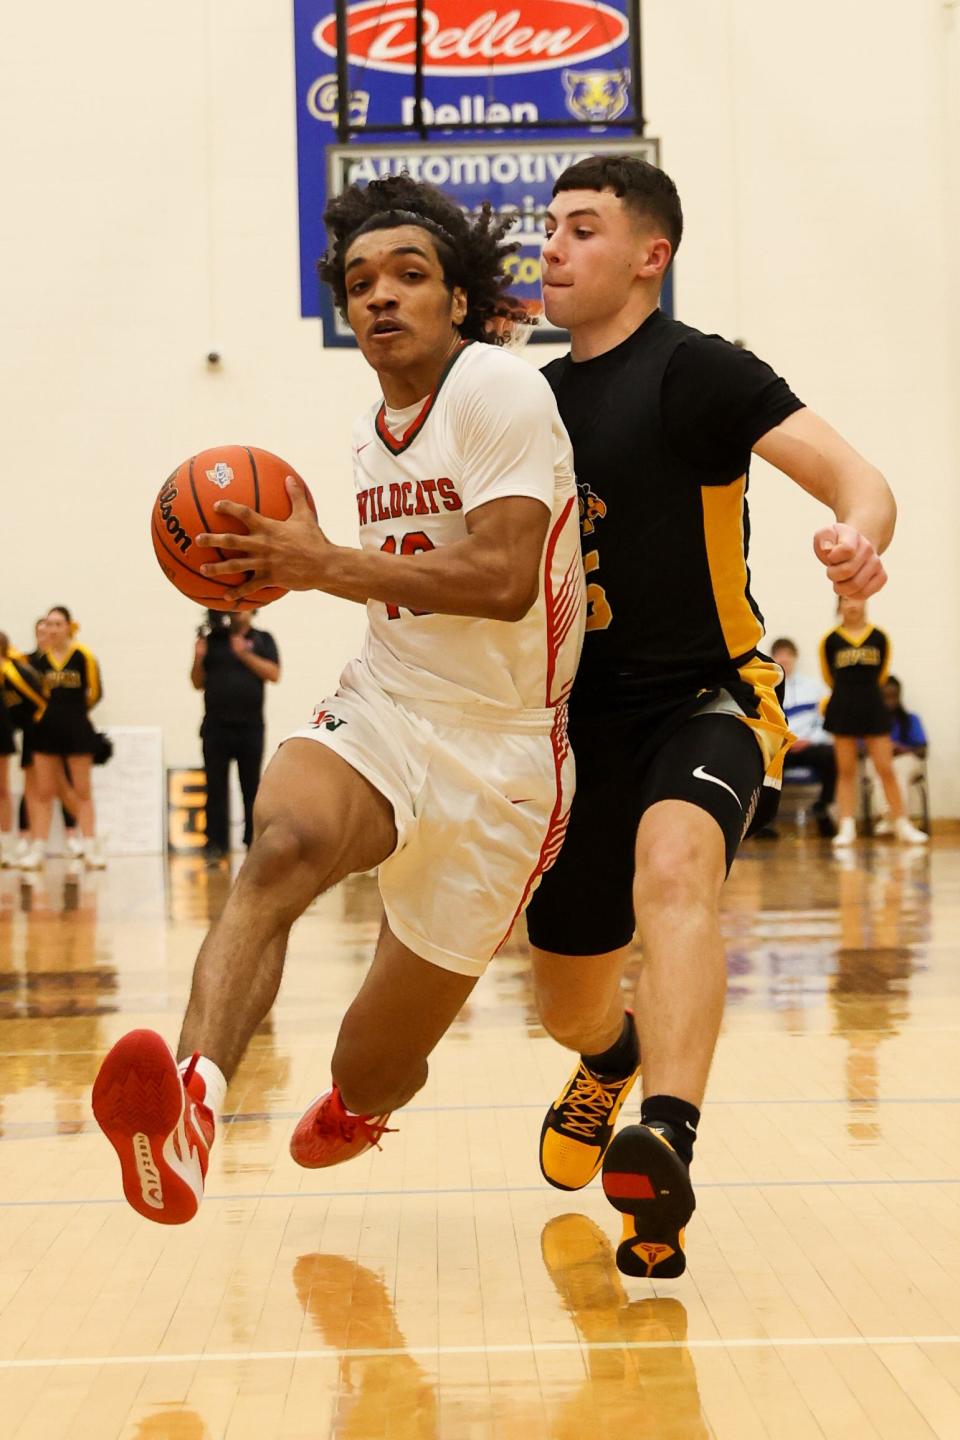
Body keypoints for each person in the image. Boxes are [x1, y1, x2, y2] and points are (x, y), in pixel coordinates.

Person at [91, 174, 585, 1226]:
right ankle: (193, 1110)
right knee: (277, 848)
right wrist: (301, 566)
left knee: (377, 1062)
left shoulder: (499, 389)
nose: (381, 296)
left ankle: (360, 1109)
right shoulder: (374, 429)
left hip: (504, 761)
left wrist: (321, 564)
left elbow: (502, 584)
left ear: (459, 300)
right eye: (360, 282)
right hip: (390, 703)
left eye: (410, 275)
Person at [523, 153, 896, 1279]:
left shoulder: (701, 371)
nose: (553, 244)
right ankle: (612, 1058)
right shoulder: (527, 397)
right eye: (548, 226)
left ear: (651, 255)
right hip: (574, 727)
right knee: (565, 1001)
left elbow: (854, 476)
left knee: (677, 871)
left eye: (582, 228)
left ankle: (665, 1140)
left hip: (710, 697)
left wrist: (859, 535)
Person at [820, 599, 927, 847]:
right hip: (843, 707)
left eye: (857, 598)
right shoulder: (830, 640)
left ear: (865, 601)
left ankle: (902, 824)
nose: (852, 605)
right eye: (845, 600)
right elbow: (828, 676)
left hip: (873, 706)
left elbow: (882, 674)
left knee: (886, 769)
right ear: (838, 606)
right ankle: (847, 826)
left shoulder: (879, 637)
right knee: (846, 771)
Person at [191, 609, 280, 863]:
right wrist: (198, 657)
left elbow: (273, 674)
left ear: (253, 609)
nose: (236, 611)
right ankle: (215, 844)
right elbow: (197, 682)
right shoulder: (213, 639)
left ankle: (253, 841)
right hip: (215, 727)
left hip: (250, 727)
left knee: (251, 786)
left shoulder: (263, 639)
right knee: (215, 787)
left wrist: (244, 654)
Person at [28, 606, 106, 869]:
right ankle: (37, 848)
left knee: (83, 791)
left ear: (69, 627)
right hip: (45, 731)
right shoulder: (38, 660)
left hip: (76, 728)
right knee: (44, 792)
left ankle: (91, 846)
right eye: (48, 624)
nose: (51, 629)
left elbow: (95, 693)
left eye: (57, 624)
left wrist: (74, 713)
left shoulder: (83, 656)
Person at [767, 636, 836, 837]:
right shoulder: (767, 690)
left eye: (788, 655)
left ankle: (822, 808)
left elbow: (824, 721)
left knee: (832, 756)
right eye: (780, 656)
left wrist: (811, 739)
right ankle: (766, 820)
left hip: (808, 746)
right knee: (761, 763)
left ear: (795, 658)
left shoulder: (815, 688)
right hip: (781, 749)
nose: (784, 660)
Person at [873, 676, 928, 832]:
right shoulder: (873, 723)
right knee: (883, 770)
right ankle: (895, 819)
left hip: (907, 760)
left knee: (896, 770)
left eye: (894, 696)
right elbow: (859, 750)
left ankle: (894, 818)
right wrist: (883, 748)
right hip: (882, 761)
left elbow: (923, 751)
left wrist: (903, 749)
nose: (890, 701)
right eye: (886, 697)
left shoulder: (911, 720)